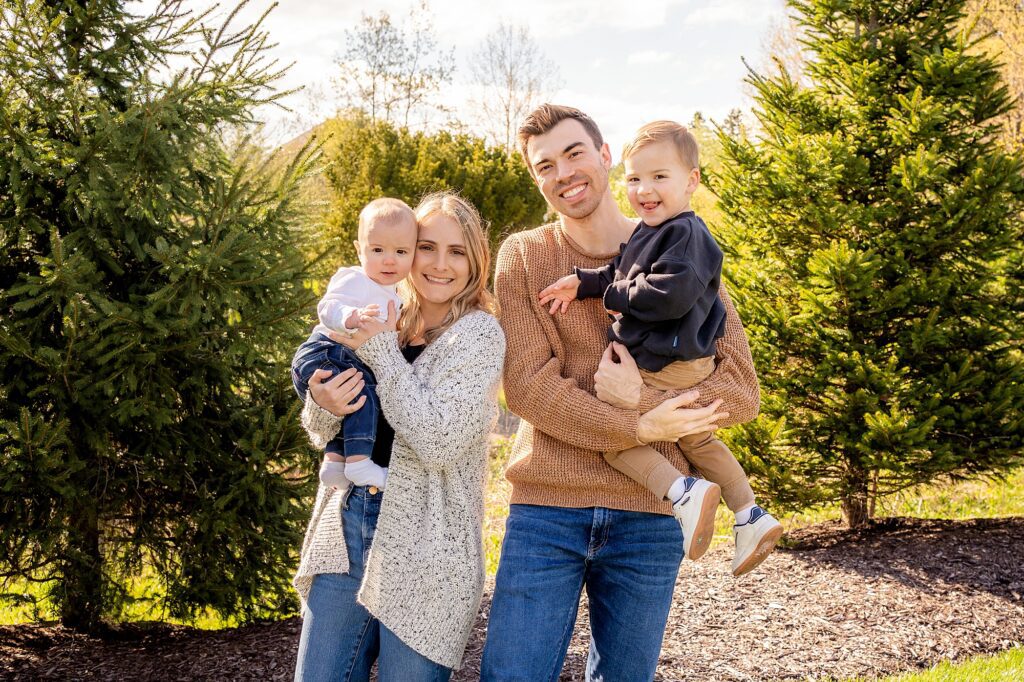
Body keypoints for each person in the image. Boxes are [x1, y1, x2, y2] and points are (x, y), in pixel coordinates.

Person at [480, 105, 761, 682]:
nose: (563, 173)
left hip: (651, 515)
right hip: (548, 509)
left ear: (605, 157)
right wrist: (638, 427)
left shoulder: (682, 249)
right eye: (545, 165)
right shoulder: (526, 256)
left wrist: (640, 404)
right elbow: (530, 390)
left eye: (574, 153)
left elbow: (739, 391)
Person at [537, 120, 782, 576]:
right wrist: (586, 282)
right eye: (634, 179)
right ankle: (750, 515)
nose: (644, 190)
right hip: (676, 365)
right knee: (699, 439)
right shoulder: (654, 231)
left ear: (692, 181)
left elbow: (669, 293)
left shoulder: (687, 235)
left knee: (616, 436)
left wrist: (611, 298)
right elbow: (622, 271)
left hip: (664, 365)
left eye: (659, 177)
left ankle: (681, 491)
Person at [292, 191, 505, 681]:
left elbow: (437, 443)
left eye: (457, 252)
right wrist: (322, 402)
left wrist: (383, 354)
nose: (439, 264)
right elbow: (323, 424)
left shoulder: (477, 336)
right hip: (346, 527)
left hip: (429, 550)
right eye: (426, 247)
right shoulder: (376, 310)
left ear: (476, 260)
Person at [290, 197, 417, 492]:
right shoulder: (354, 278)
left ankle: (335, 462)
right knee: (364, 393)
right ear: (359, 250)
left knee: (356, 396)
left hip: (343, 357)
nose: (389, 260)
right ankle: (359, 464)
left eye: (400, 251)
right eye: (377, 250)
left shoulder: (397, 293)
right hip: (325, 350)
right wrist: (351, 317)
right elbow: (327, 307)